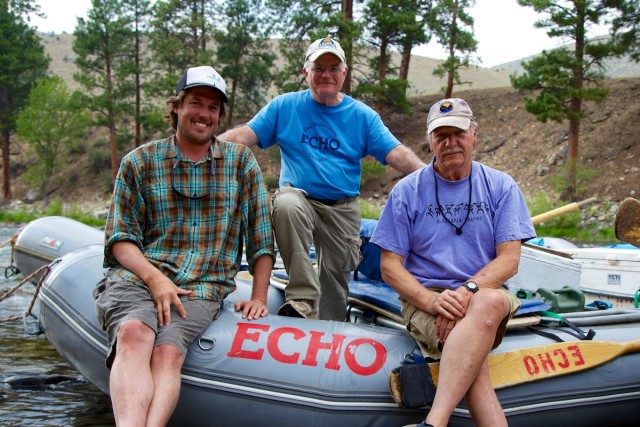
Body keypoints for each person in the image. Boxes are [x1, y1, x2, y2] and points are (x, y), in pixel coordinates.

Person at [94, 65, 274, 426]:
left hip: (201, 287)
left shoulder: (241, 163)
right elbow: (120, 239)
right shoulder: (139, 162)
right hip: (138, 279)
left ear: (219, 115)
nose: (204, 114)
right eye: (196, 103)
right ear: (176, 106)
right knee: (134, 333)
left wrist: (258, 296)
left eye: (212, 107)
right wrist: (155, 279)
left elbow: (260, 237)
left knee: (167, 353)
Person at [218, 37, 425, 321]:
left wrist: (431, 175)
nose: (325, 74)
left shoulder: (363, 116)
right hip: (299, 199)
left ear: (344, 73)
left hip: (342, 207)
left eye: (333, 67)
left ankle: (331, 332)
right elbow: (245, 136)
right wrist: (208, 147)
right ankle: (302, 298)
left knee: (334, 285)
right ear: (306, 72)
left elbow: (396, 153)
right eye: (318, 68)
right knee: (286, 203)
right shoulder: (284, 107)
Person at [370, 98, 536, 427]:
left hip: (484, 291)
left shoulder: (501, 186)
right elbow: (389, 265)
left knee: (486, 301)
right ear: (430, 141)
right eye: (441, 135)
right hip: (426, 296)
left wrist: (467, 291)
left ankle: (435, 422)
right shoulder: (406, 192)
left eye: (457, 133)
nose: (450, 143)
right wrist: (432, 302)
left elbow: (510, 259)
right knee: (476, 359)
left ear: (474, 135)